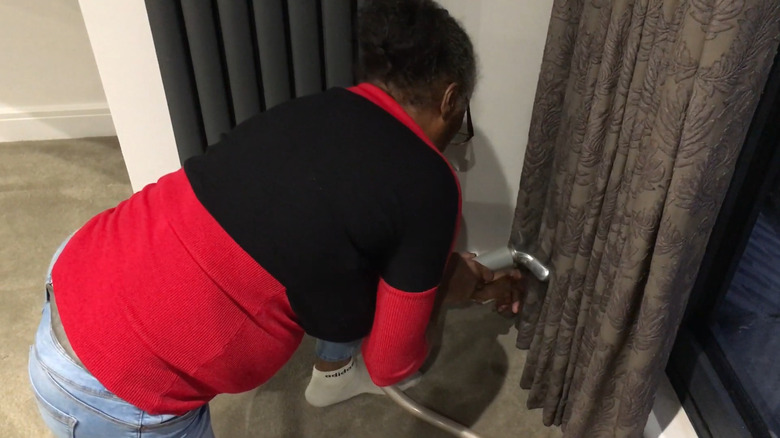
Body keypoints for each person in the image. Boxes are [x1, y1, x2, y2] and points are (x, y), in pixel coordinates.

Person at [28, 1, 519, 436]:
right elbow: (392, 363)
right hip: (115, 392)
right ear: (452, 99)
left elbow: (338, 247)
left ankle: (333, 375)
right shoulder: (431, 182)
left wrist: (434, 274)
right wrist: (439, 292)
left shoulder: (317, 110)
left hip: (79, 275)